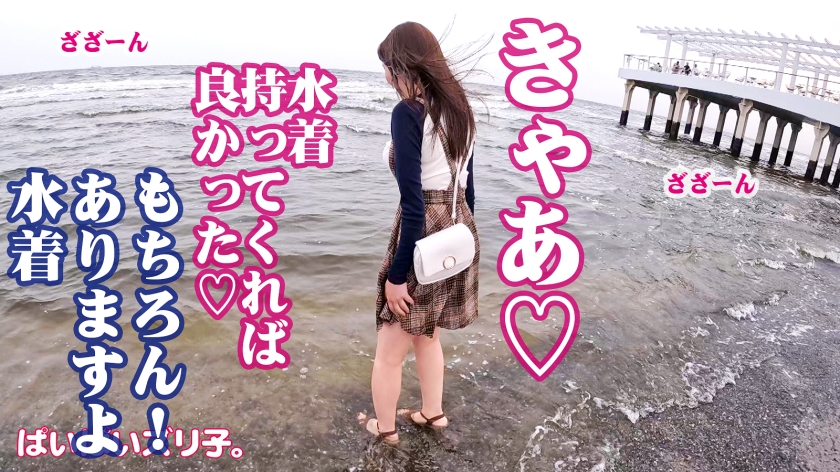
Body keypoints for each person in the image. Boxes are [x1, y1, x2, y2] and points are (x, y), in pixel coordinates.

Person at [363, 21, 480, 446]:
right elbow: (469, 189)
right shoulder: (460, 110)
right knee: (427, 334)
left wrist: (397, 277)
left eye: (388, 66)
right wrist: (458, 238)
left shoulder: (408, 113)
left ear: (402, 66)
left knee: (389, 350)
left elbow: (414, 205)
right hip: (459, 226)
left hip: (424, 229)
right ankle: (433, 414)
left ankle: (386, 431)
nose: (386, 75)